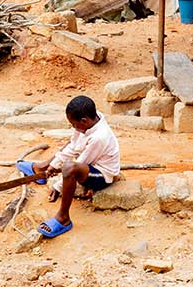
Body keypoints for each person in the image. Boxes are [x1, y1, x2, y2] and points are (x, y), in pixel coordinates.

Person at [16, 95, 120, 239]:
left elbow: (80, 163)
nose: (73, 128)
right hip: (89, 164)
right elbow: (73, 146)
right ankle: (42, 168)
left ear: (84, 120)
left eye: (73, 124)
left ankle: (63, 218)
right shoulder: (91, 121)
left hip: (102, 175)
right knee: (68, 146)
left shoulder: (99, 137)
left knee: (70, 168)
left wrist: (58, 186)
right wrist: (54, 164)